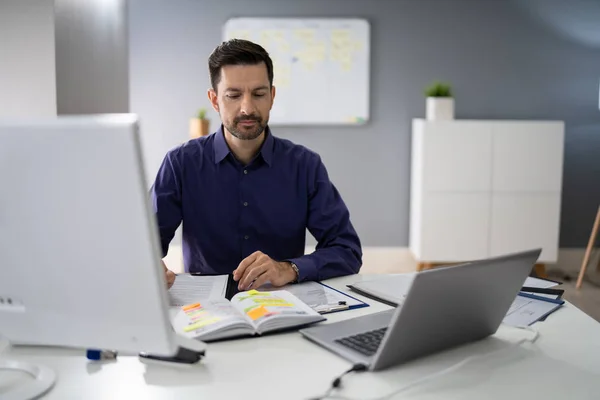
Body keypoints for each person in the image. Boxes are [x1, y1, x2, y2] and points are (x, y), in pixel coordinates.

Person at [151, 39, 362, 292]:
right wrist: (149, 266)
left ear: (272, 97)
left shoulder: (305, 165)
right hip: (206, 312)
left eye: (259, 94)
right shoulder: (180, 164)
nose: (247, 108)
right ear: (215, 100)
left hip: (284, 306)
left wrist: (288, 269)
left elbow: (346, 250)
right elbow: (144, 246)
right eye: (233, 95)